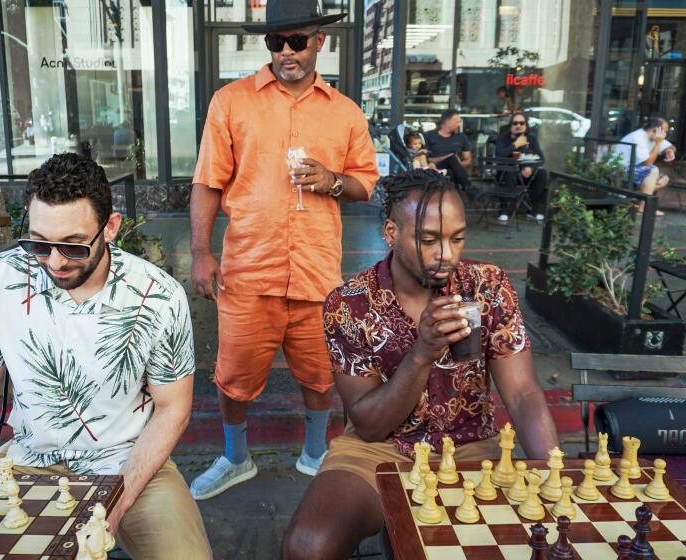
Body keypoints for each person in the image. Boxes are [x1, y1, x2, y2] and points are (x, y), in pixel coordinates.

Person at [0, 153, 211, 559]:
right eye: (38, 243)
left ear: (112, 228)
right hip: (30, 463)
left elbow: (173, 408)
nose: (54, 261)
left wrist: (112, 507)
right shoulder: (1, 277)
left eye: (73, 246)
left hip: (129, 463)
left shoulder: (157, 296)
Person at [282, 170, 560, 559]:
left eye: (457, 238)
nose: (446, 254)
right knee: (307, 547)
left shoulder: (487, 286)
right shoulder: (349, 304)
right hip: (378, 450)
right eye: (428, 239)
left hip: (473, 447)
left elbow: (523, 394)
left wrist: (555, 476)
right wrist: (422, 352)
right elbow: (369, 423)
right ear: (391, 233)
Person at [188, 0, 379, 501]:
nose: (286, 52)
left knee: (320, 377)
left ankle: (316, 453)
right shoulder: (231, 102)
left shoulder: (345, 112)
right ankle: (235, 457)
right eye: (276, 42)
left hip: (317, 271)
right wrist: (200, 253)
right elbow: (208, 182)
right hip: (248, 270)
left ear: (321, 40)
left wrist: (333, 181)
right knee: (232, 379)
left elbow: (366, 185)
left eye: (297, 41)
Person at [616, 116, 677, 217]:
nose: (665, 135)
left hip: (635, 170)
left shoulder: (653, 137)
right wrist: (658, 144)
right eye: (665, 131)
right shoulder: (638, 137)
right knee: (653, 170)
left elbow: (670, 146)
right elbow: (648, 162)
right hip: (621, 169)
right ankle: (644, 207)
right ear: (656, 130)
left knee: (664, 179)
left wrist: (670, 151)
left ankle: (634, 199)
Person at [494, 111, 548, 223]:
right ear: (511, 125)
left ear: (526, 125)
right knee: (509, 172)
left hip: (525, 174)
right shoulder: (503, 138)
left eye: (521, 123)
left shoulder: (531, 138)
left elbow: (541, 158)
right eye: (515, 123)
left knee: (542, 174)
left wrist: (530, 167)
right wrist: (515, 145)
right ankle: (505, 210)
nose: (518, 126)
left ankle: (534, 209)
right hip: (507, 173)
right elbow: (499, 156)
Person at [425, 109, 472, 192]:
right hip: (436, 168)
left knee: (452, 168)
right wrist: (448, 158)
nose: (458, 125)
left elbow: (468, 160)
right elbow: (427, 159)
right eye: (456, 122)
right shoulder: (429, 136)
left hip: (452, 171)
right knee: (451, 158)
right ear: (447, 122)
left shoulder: (461, 137)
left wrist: (455, 165)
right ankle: (468, 189)